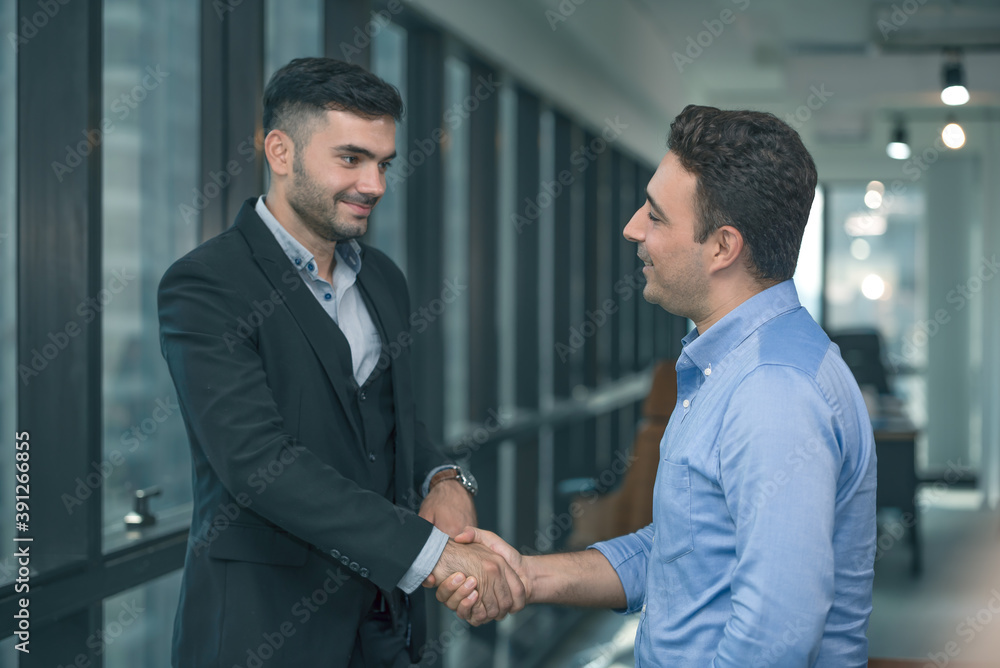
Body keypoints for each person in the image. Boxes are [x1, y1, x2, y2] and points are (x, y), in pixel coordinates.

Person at [435, 105, 878, 667]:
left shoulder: (773, 393)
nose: (632, 228)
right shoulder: (734, 368)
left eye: (657, 216)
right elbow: (680, 556)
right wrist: (526, 574)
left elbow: (775, 642)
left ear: (723, 246)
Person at [158, 57, 523, 668]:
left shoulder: (383, 278)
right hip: (266, 632)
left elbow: (398, 419)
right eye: (350, 158)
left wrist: (445, 479)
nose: (374, 184)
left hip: (388, 627)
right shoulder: (206, 284)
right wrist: (435, 555)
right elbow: (258, 465)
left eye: (383, 163)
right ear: (280, 151)